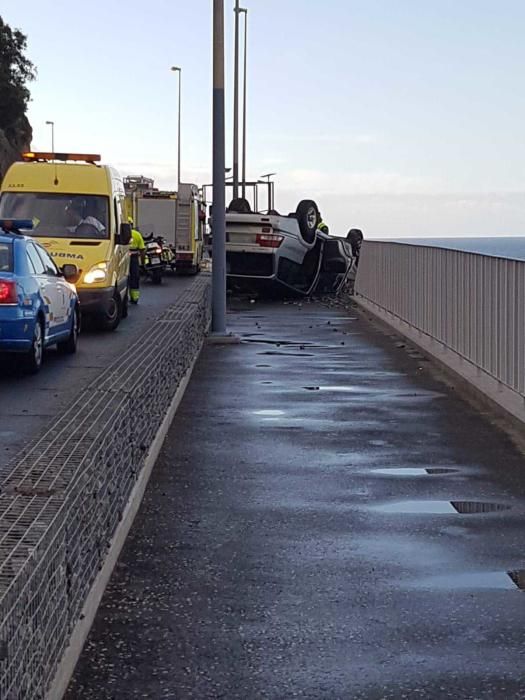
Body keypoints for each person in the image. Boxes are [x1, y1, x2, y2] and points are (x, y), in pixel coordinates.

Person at [128, 218, 146, 304]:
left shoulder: (120, 234)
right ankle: (134, 297)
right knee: (134, 277)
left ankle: (124, 296)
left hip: (122, 258)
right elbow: (142, 250)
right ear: (132, 225)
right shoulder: (137, 234)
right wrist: (143, 263)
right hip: (134, 259)